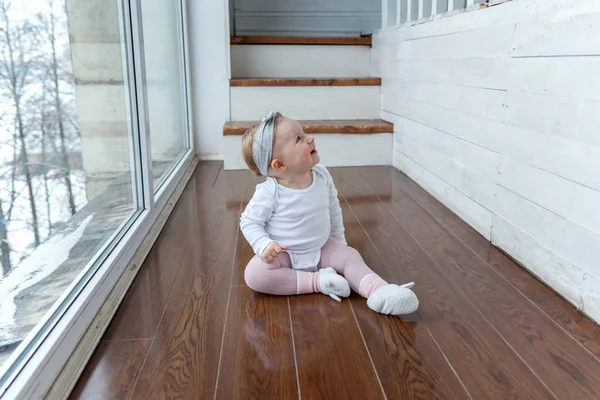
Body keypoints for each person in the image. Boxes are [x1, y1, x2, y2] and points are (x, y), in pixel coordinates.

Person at [239, 111, 419, 315]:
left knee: (350, 256)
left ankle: (380, 291)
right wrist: (264, 244)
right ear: (280, 165)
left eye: (304, 132)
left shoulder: (321, 175)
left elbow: (333, 209)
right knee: (255, 275)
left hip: (321, 247)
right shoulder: (270, 192)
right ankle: (319, 282)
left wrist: (339, 243)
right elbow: (249, 222)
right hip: (286, 254)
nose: (310, 138)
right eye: (299, 139)